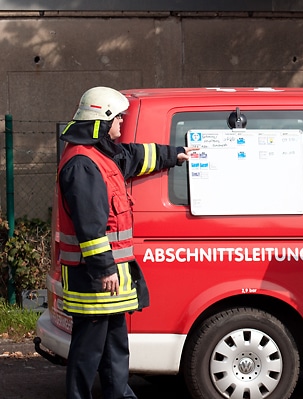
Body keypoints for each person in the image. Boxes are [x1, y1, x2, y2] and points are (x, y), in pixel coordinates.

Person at [57, 86, 195, 399]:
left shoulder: (101, 156)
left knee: (115, 349)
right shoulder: (82, 164)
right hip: (94, 279)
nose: (122, 123)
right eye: (118, 118)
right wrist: (104, 269)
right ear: (103, 120)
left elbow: (133, 156)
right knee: (88, 352)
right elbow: (91, 226)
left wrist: (173, 155)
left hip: (110, 279)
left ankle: (118, 395)